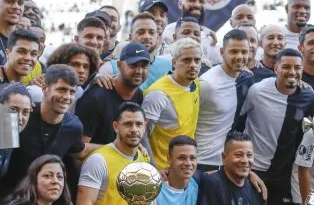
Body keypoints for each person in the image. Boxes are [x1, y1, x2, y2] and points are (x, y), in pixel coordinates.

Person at [235, 48, 314, 205]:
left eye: (297, 68)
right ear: (275, 68)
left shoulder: (308, 97)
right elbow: (238, 125)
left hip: (283, 172)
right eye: (287, 67)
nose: (292, 72)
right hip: (253, 170)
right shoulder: (256, 92)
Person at [0, 65, 85, 199]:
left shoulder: (74, 127)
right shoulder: (24, 116)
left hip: (42, 203)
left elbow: (78, 153)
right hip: (6, 198)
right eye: (61, 90)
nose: (67, 97)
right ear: (44, 88)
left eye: (72, 92)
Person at [195, 30, 253, 172]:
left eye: (244, 52)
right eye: (233, 51)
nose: (240, 57)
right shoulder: (207, 83)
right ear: (222, 51)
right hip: (201, 162)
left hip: (226, 163)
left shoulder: (246, 78)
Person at [77, 42, 148, 157]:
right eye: (133, 65)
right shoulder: (96, 97)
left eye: (144, 66)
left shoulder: (139, 94)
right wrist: (120, 147)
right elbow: (79, 150)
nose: (139, 71)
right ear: (119, 65)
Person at [142, 39, 202, 170]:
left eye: (197, 60)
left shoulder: (195, 82)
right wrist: (154, 168)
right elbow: (141, 135)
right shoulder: (157, 95)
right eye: (186, 60)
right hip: (162, 170)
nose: (193, 65)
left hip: (186, 168)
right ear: (174, 62)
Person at [101, 13, 172, 90]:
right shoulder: (111, 67)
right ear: (130, 38)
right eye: (141, 32)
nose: (147, 37)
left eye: (151, 32)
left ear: (157, 37)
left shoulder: (168, 66)